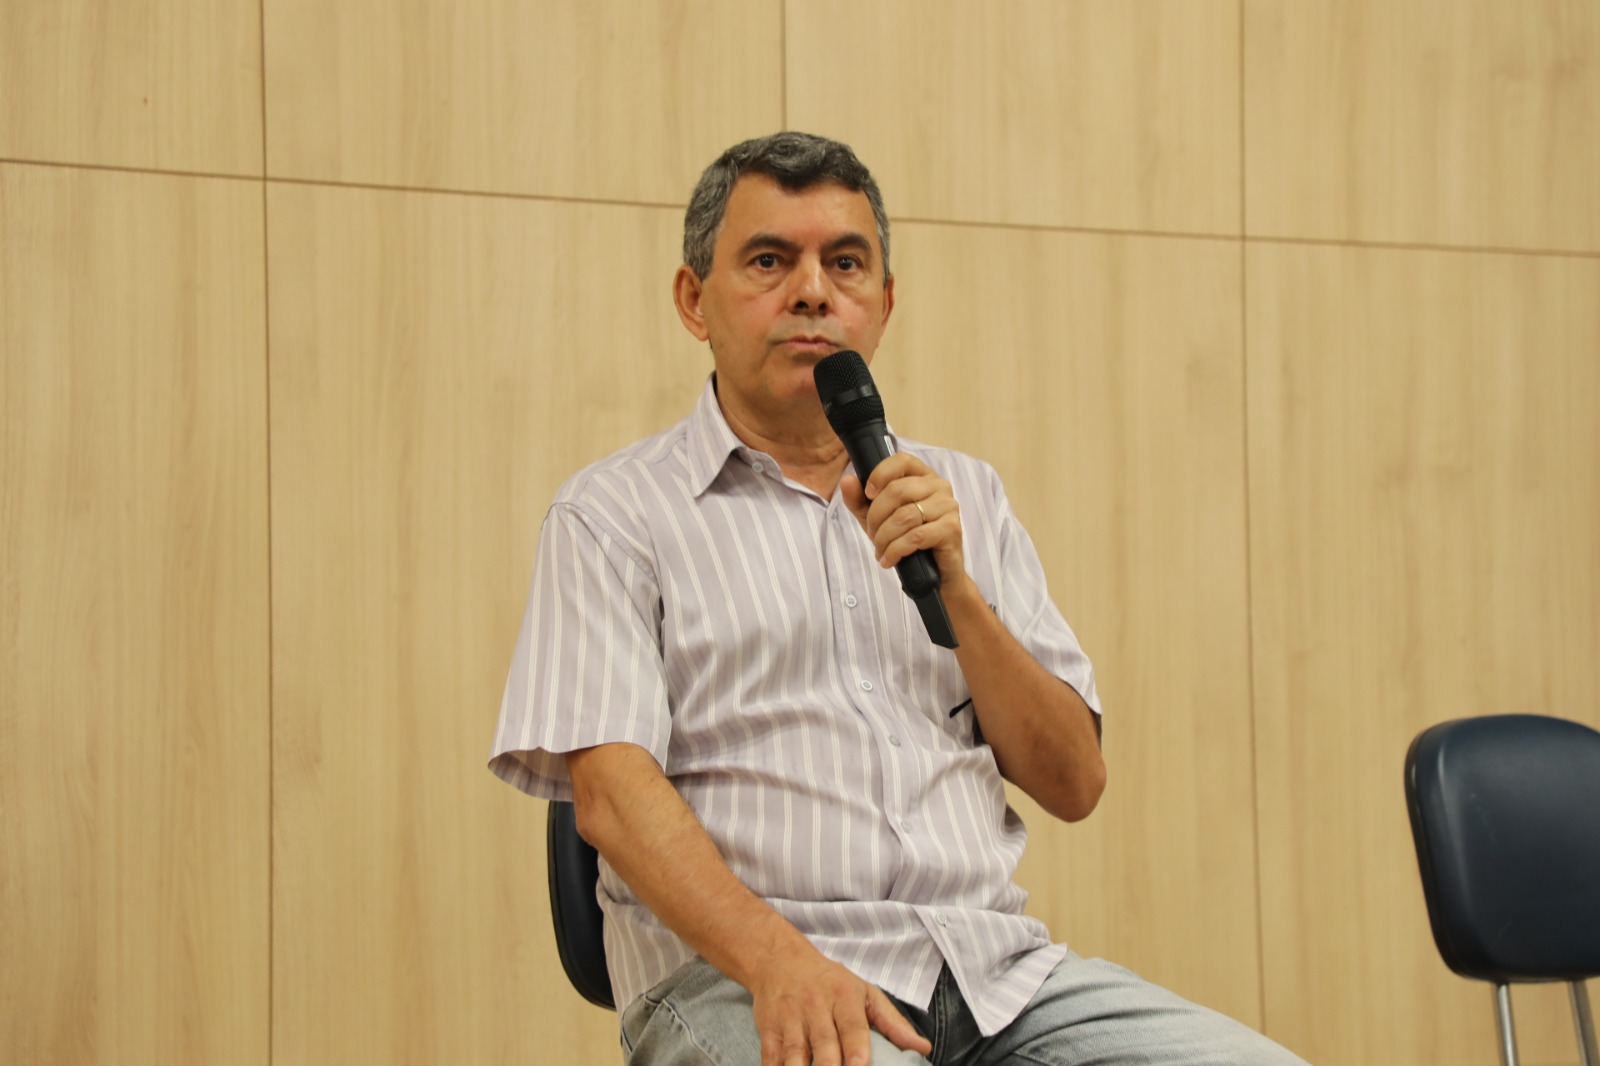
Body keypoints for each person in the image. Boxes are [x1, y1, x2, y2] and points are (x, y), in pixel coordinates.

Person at [490, 132, 1306, 1066]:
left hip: (997, 979)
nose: (813, 292)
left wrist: (955, 586)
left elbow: (1073, 781)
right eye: (769, 261)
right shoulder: (612, 515)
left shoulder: (963, 497)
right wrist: (778, 961)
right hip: (744, 980)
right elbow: (609, 798)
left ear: (884, 303)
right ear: (693, 300)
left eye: (845, 264)